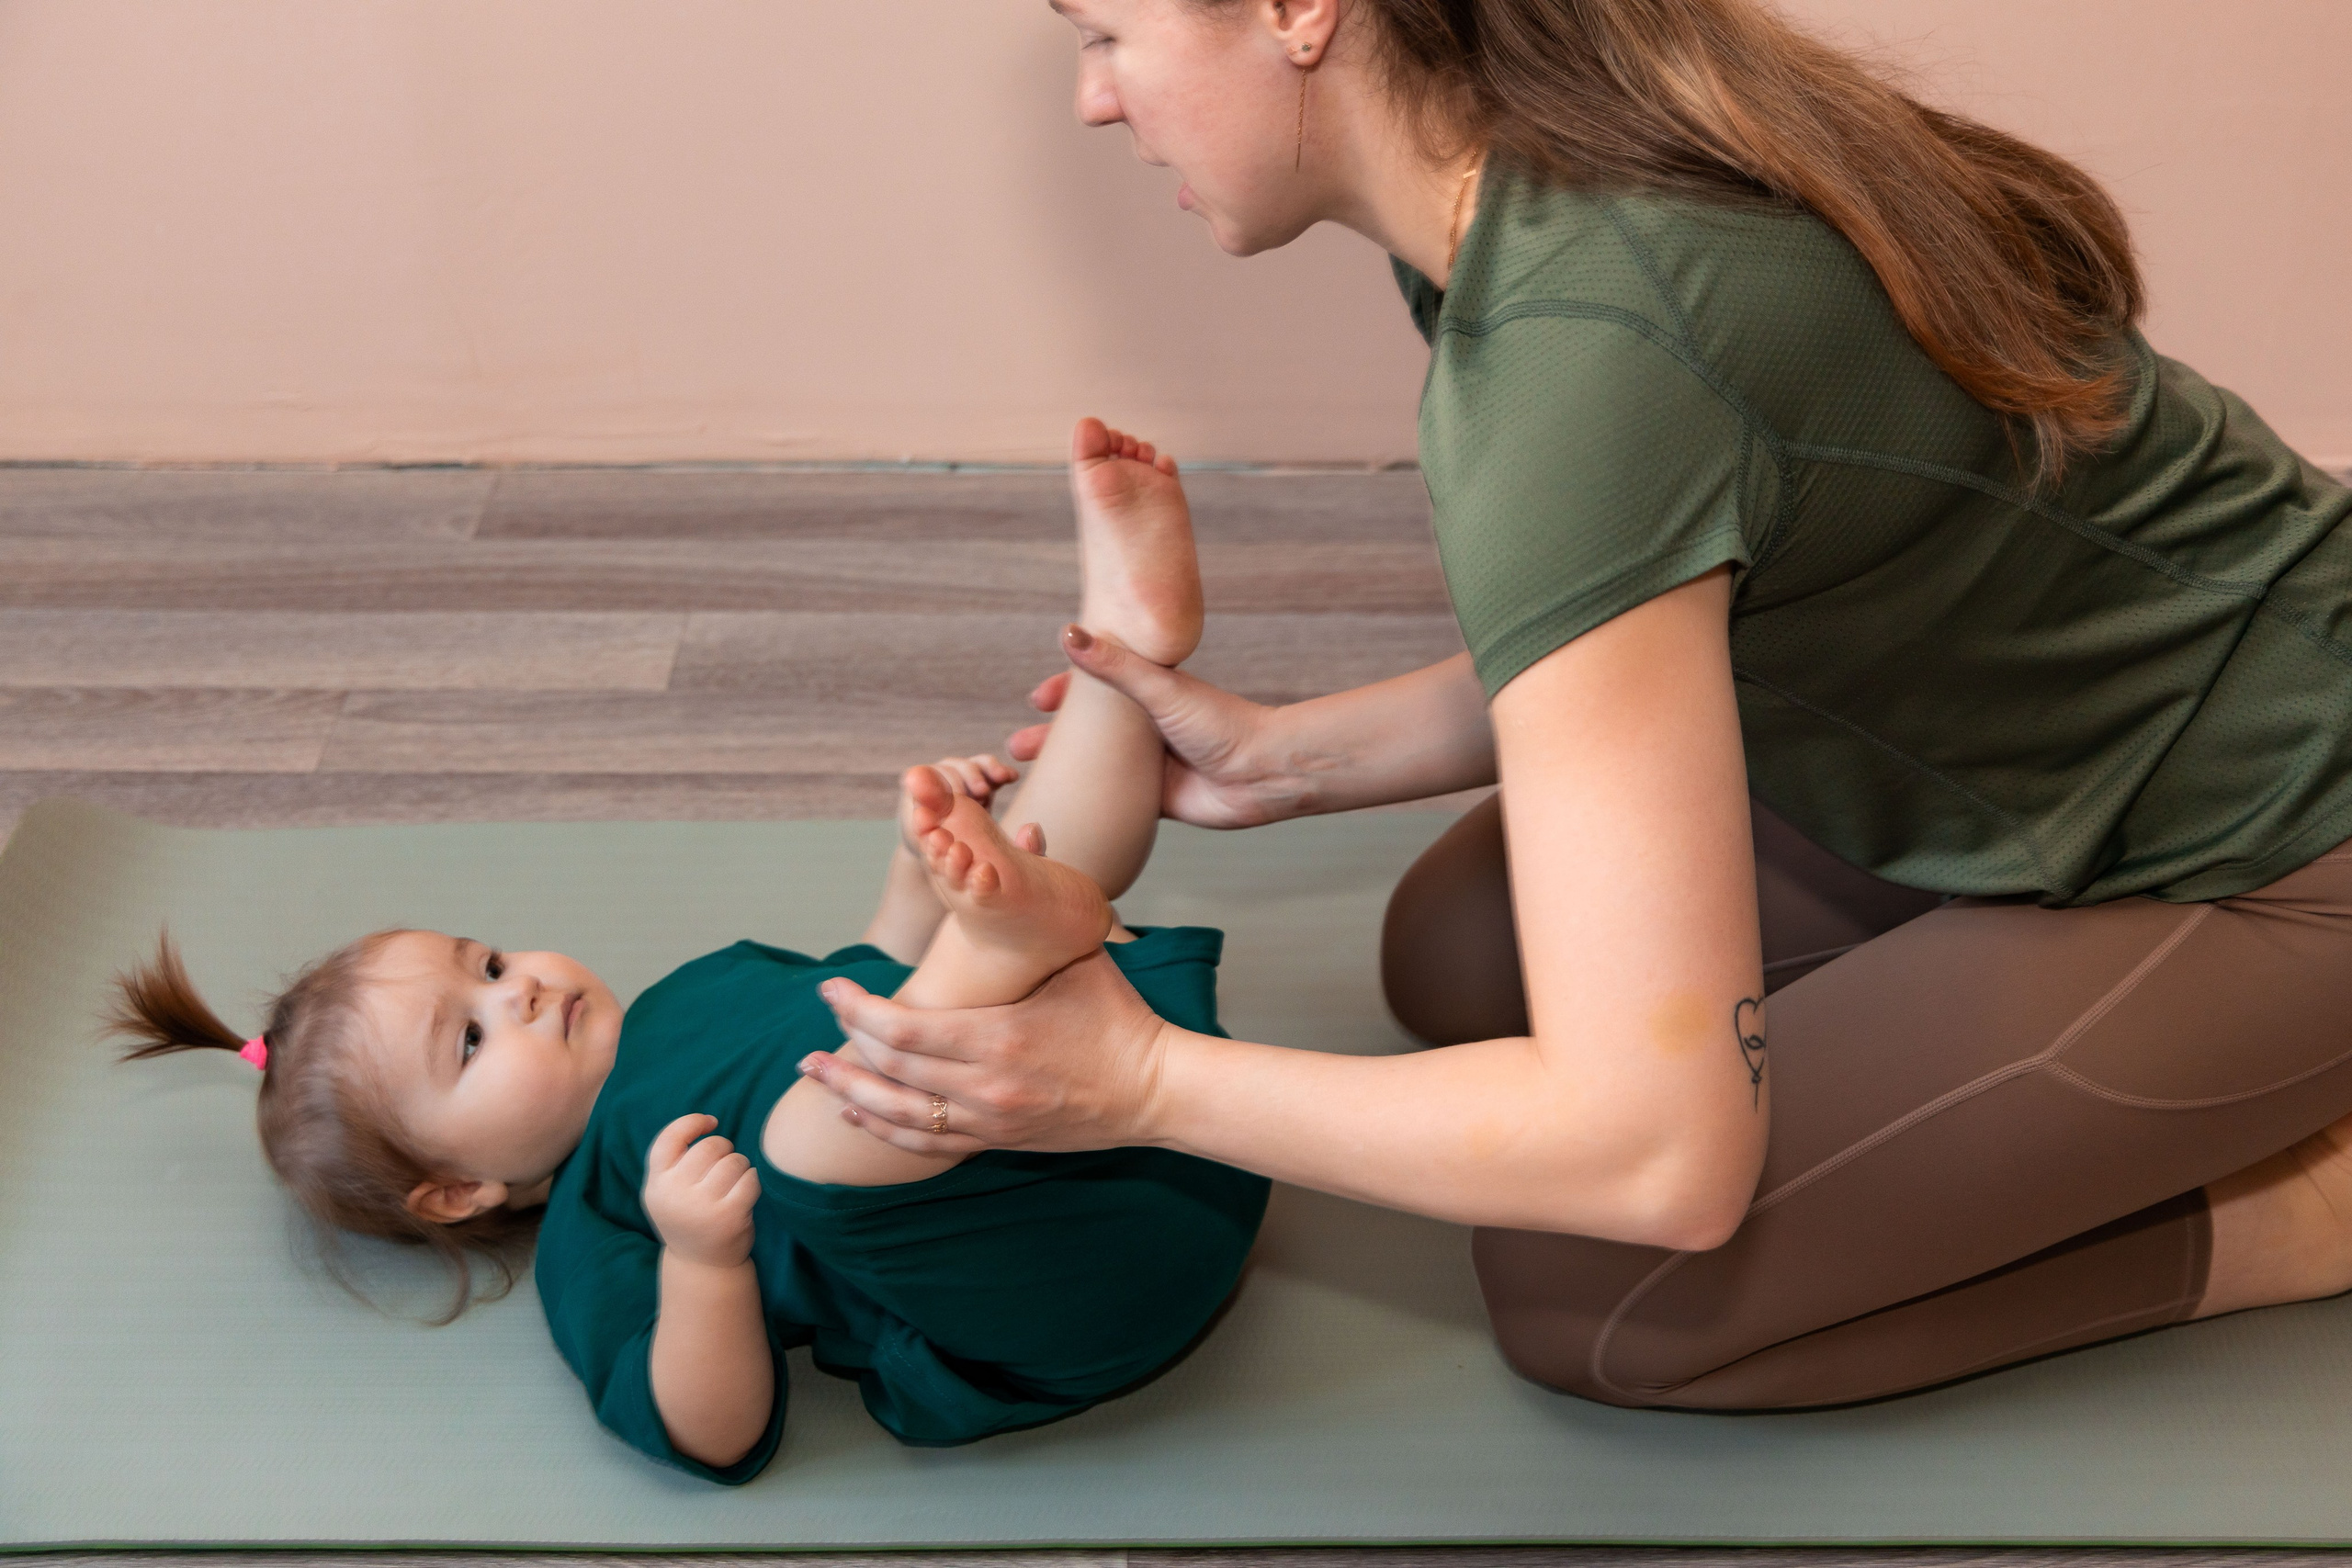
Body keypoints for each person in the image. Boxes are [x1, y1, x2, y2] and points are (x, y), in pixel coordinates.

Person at [795, 0, 2352, 1409]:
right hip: (2060, 735)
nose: (1094, 98)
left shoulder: (1585, 345)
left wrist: (1142, 1082)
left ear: (1295, 11)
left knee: (1597, 1293)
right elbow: (1676, 589)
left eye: (1105, 33)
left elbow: (1662, 1161)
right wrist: (1290, 758)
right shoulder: (1538, 182)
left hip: (2282, 844)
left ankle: (2312, 1206)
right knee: (1461, 951)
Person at [107, 420, 1270, 1482]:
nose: (522, 993)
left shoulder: (694, 989)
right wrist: (704, 1262)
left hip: (1163, 1115)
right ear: (459, 1190)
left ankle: (1123, 656)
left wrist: (919, 871)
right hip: (1066, 1271)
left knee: (1016, 878)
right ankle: (1002, 947)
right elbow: (705, 1432)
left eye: (492, 965)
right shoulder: (600, 1226)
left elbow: (869, 964)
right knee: (807, 1139)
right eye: (469, 1040)